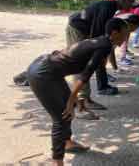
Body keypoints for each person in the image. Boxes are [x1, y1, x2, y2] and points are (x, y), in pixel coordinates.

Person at [26, 18, 130, 166]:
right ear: (114, 33)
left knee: (69, 110)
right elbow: (85, 75)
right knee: (61, 117)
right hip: (43, 74)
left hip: (47, 69)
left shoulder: (103, 42)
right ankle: (57, 162)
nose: (126, 37)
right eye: (125, 34)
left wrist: (74, 100)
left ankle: (67, 142)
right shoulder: (104, 45)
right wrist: (71, 99)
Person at [65, 0, 136, 115]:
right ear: (124, 0)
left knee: (86, 63)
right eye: (130, 3)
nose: (131, 6)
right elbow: (96, 32)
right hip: (76, 29)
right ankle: (83, 99)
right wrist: (97, 52)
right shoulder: (107, 7)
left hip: (81, 29)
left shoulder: (111, 7)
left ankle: (84, 97)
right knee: (81, 63)